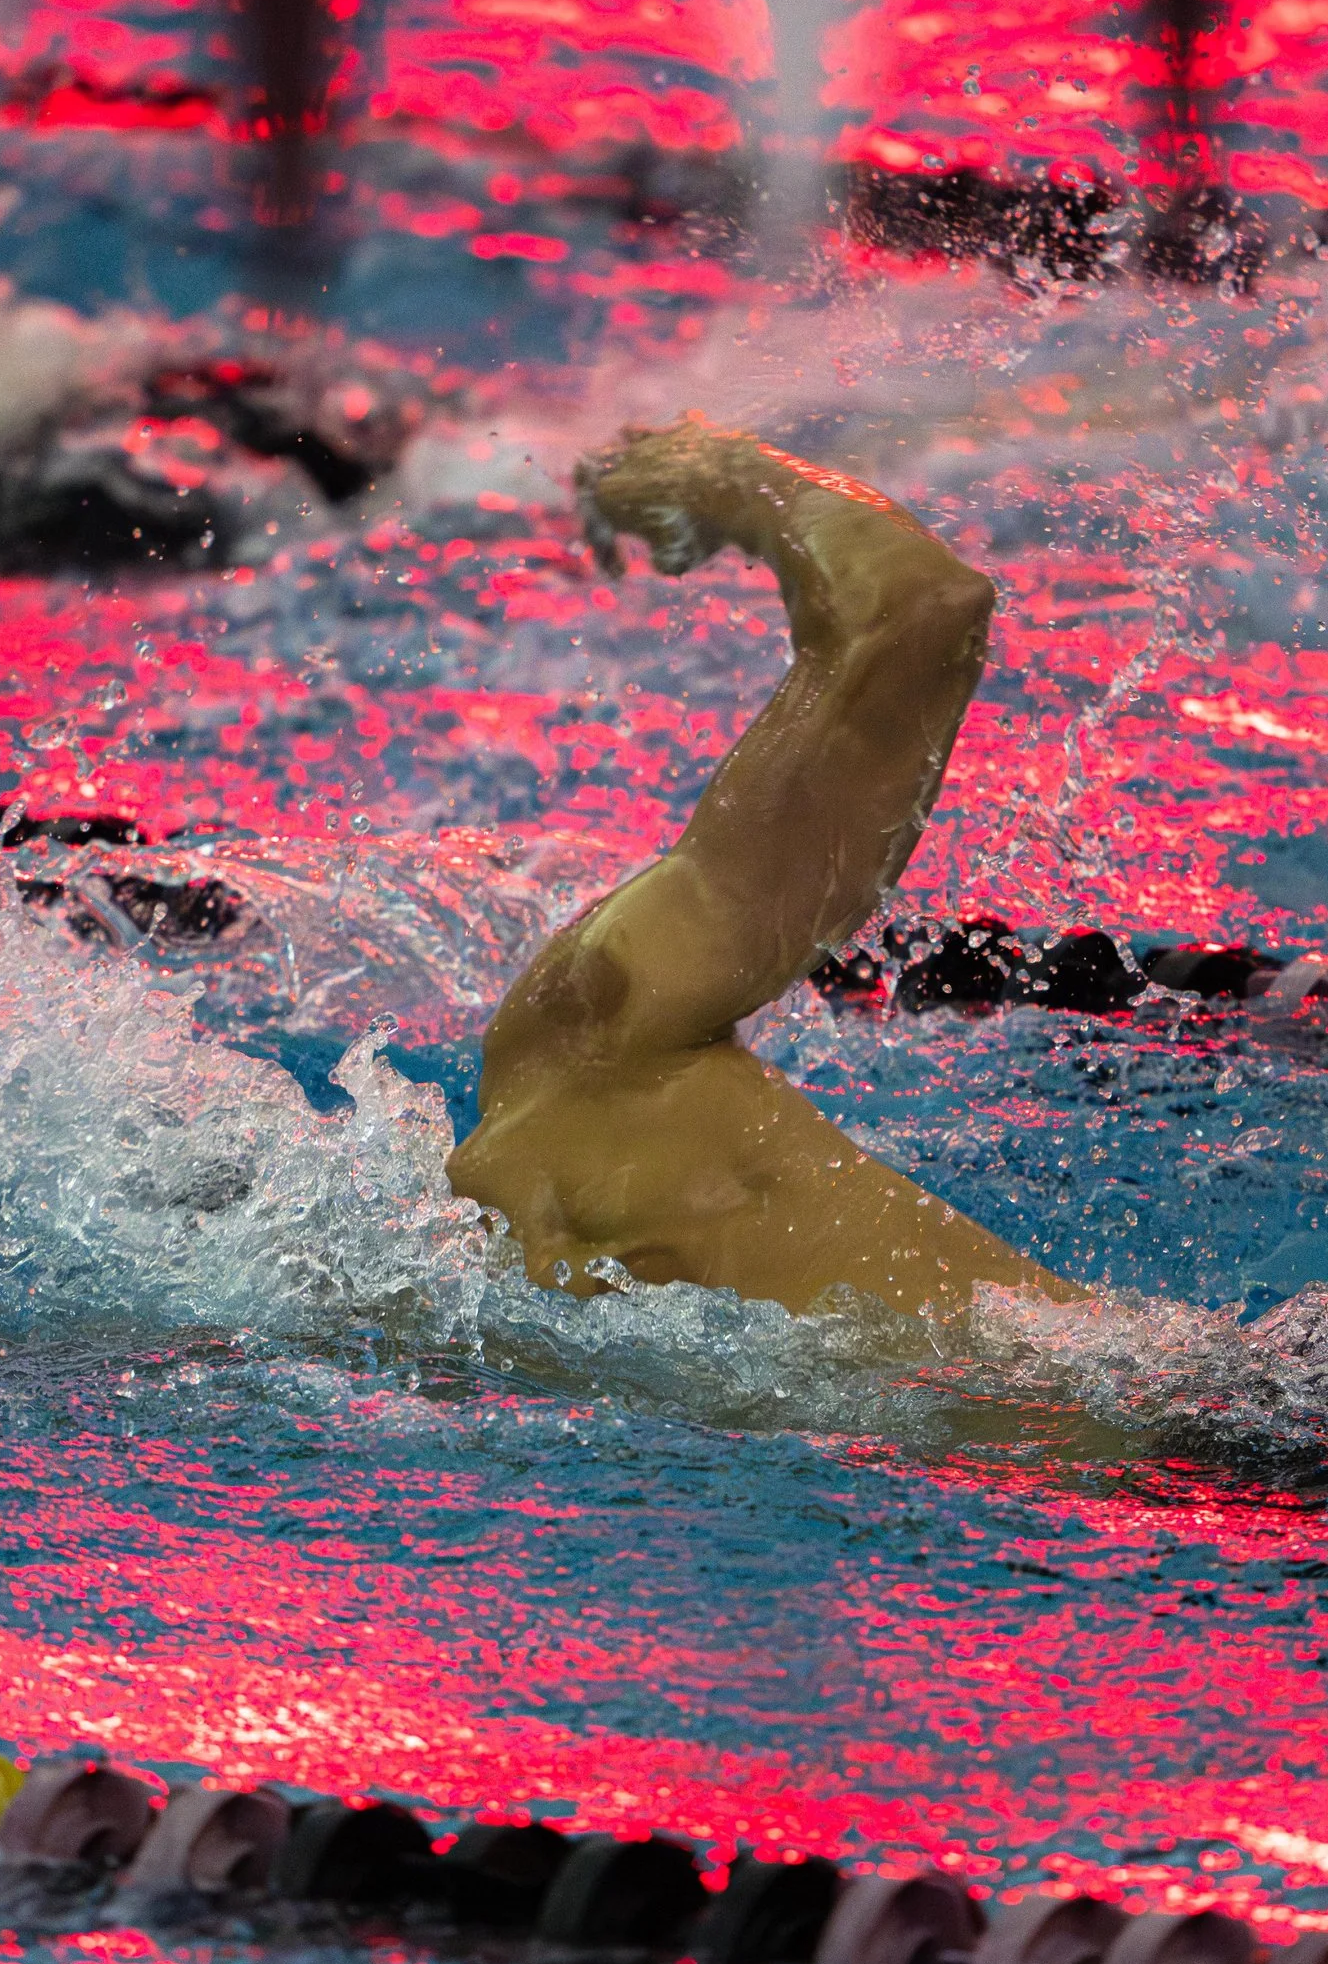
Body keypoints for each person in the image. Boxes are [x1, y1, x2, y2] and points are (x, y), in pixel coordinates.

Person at [448, 418, 1082, 1318]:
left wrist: (730, 474)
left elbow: (921, 608)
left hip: (1176, 1429)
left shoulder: (592, 1048)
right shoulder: (579, 1055)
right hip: (1196, 1423)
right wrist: (732, 479)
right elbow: (913, 609)